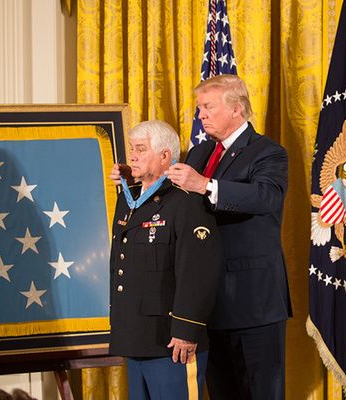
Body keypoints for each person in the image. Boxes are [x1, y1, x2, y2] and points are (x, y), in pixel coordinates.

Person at [110, 75, 291, 399]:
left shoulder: (267, 152)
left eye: (208, 107)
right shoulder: (200, 151)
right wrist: (134, 178)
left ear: (236, 108)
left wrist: (206, 185)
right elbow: (168, 198)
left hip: (252, 302)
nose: (201, 115)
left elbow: (267, 197)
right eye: (199, 108)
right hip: (207, 305)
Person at [109, 120, 222, 399]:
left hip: (172, 341)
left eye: (141, 149)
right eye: (132, 149)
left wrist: (187, 328)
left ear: (164, 156)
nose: (132, 155)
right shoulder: (129, 200)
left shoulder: (186, 201)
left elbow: (198, 271)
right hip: (136, 335)